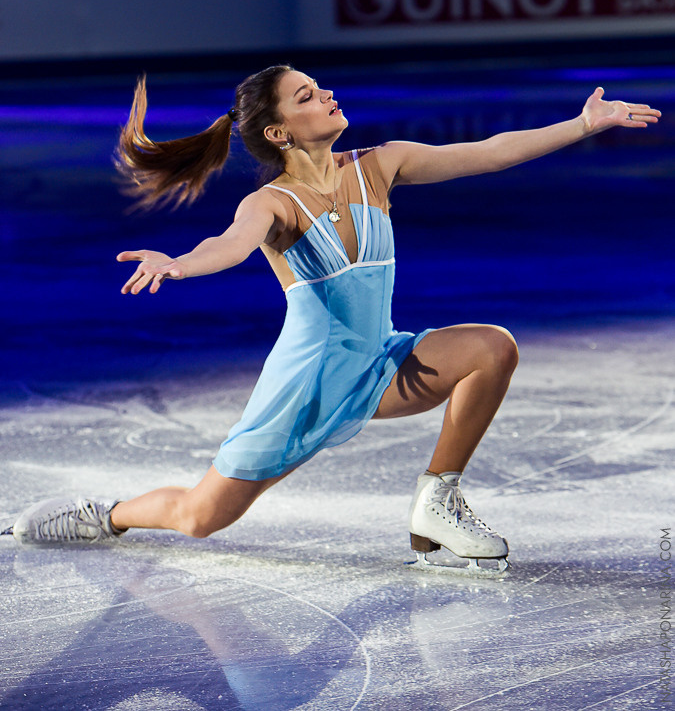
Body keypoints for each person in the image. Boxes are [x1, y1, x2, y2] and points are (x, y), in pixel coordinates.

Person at [5, 65, 661, 572]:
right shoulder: (273, 202)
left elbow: (489, 150)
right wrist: (179, 263)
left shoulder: (381, 164)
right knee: (202, 516)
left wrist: (582, 125)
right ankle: (107, 515)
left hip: (378, 365)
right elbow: (229, 244)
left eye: (321, 89)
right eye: (307, 97)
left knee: (491, 348)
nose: (327, 97)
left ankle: (436, 501)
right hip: (306, 388)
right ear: (278, 132)